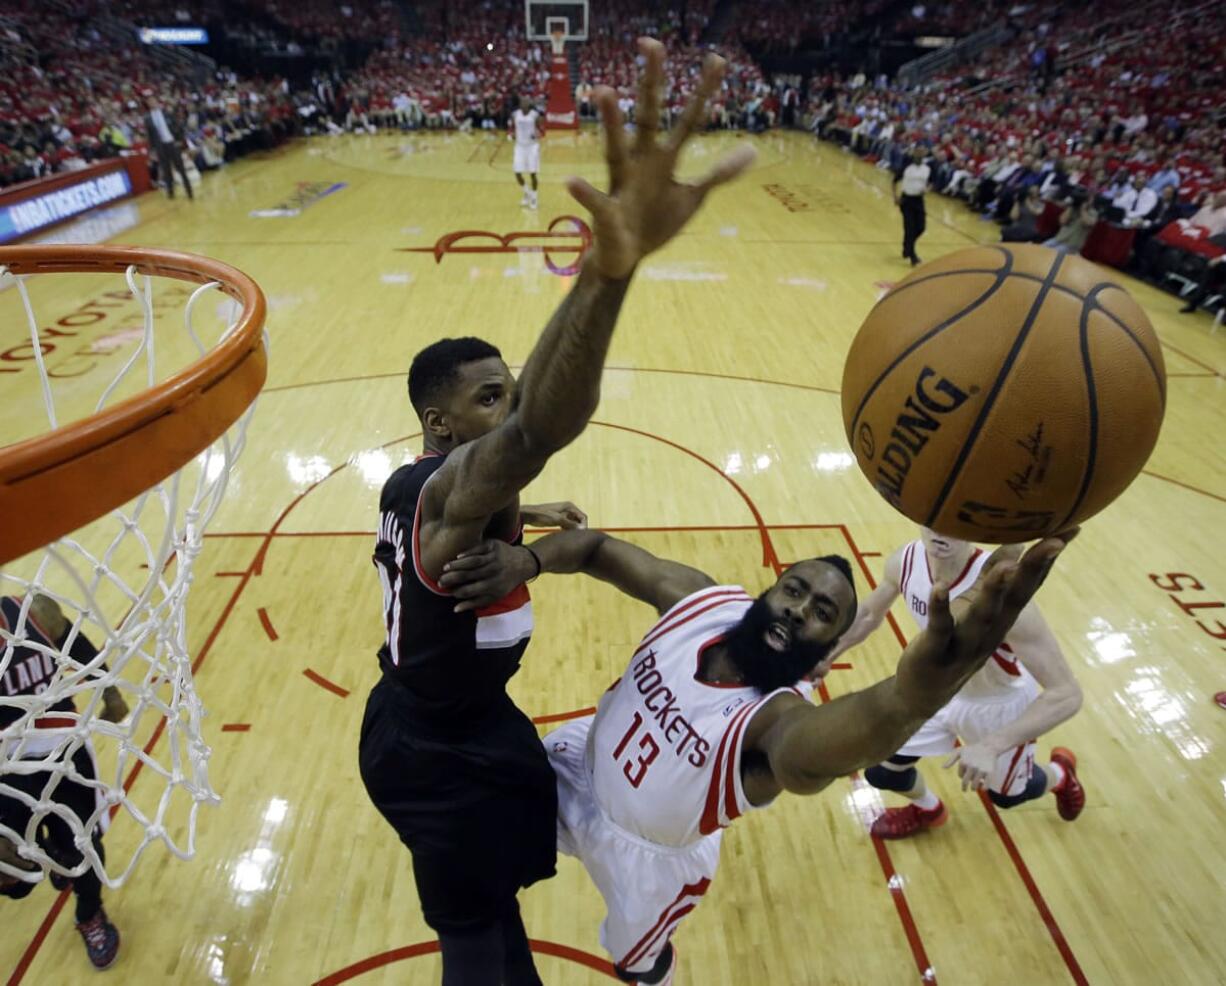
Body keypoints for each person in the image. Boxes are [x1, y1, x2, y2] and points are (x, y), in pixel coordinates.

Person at [357, 41, 755, 986]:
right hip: (440, 753)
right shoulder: (451, 496)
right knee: (475, 947)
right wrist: (611, 276)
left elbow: (511, 442)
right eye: (488, 399)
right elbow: (539, 427)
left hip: (445, 723)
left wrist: (525, 533)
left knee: (497, 913)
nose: (508, 407)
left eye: (505, 392)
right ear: (439, 420)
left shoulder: (418, 484)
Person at [438, 527, 1075, 984]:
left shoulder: (776, 725)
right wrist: (527, 560)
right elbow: (596, 548)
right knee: (471, 825)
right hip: (576, 764)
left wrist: (921, 688)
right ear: (766, 590)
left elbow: (861, 727)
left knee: (636, 965)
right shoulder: (703, 603)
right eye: (795, 590)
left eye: (822, 613)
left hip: (647, 858)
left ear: (826, 652)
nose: (799, 609)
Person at [829, 527, 1084, 839]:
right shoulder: (905, 561)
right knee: (884, 772)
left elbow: (1067, 694)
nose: (941, 531)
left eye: (955, 525)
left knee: (1007, 797)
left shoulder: (1008, 597)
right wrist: (825, 656)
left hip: (997, 706)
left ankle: (1060, 775)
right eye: (933, 519)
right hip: (936, 691)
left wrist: (991, 746)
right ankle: (928, 810)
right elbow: (868, 614)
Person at [0, 594, 128, 969]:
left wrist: (111, 691)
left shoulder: (31, 610)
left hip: (63, 753)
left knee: (85, 846)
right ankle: (53, 854)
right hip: (7, 768)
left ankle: (90, 914)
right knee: (18, 881)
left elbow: (79, 646)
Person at [143, 97, 193, 200]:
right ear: (148, 104)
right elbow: (150, 136)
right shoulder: (147, 118)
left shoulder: (166, 113)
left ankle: (189, 190)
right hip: (160, 146)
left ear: (156, 101)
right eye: (149, 102)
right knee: (166, 171)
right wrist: (152, 150)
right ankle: (171, 194)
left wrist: (179, 140)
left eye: (153, 100)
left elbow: (178, 126)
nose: (152, 102)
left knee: (180, 168)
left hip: (172, 143)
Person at [893, 146, 930, 266]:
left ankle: (907, 245)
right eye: (917, 152)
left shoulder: (927, 168)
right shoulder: (906, 167)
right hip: (906, 200)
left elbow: (932, 182)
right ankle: (913, 256)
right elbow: (894, 181)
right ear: (914, 153)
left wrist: (928, 188)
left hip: (919, 200)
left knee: (921, 227)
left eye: (922, 152)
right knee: (909, 228)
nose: (920, 154)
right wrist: (895, 196)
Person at [511, 95, 545, 208]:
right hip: (519, 146)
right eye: (522, 101)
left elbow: (542, 131)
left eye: (526, 102)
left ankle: (534, 198)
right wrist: (511, 134)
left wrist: (537, 134)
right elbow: (511, 128)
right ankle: (527, 193)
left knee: (532, 173)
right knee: (517, 173)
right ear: (520, 103)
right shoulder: (515, 114)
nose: (524, 103)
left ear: (529, 104)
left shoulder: (535, 115)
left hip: (532, 147)